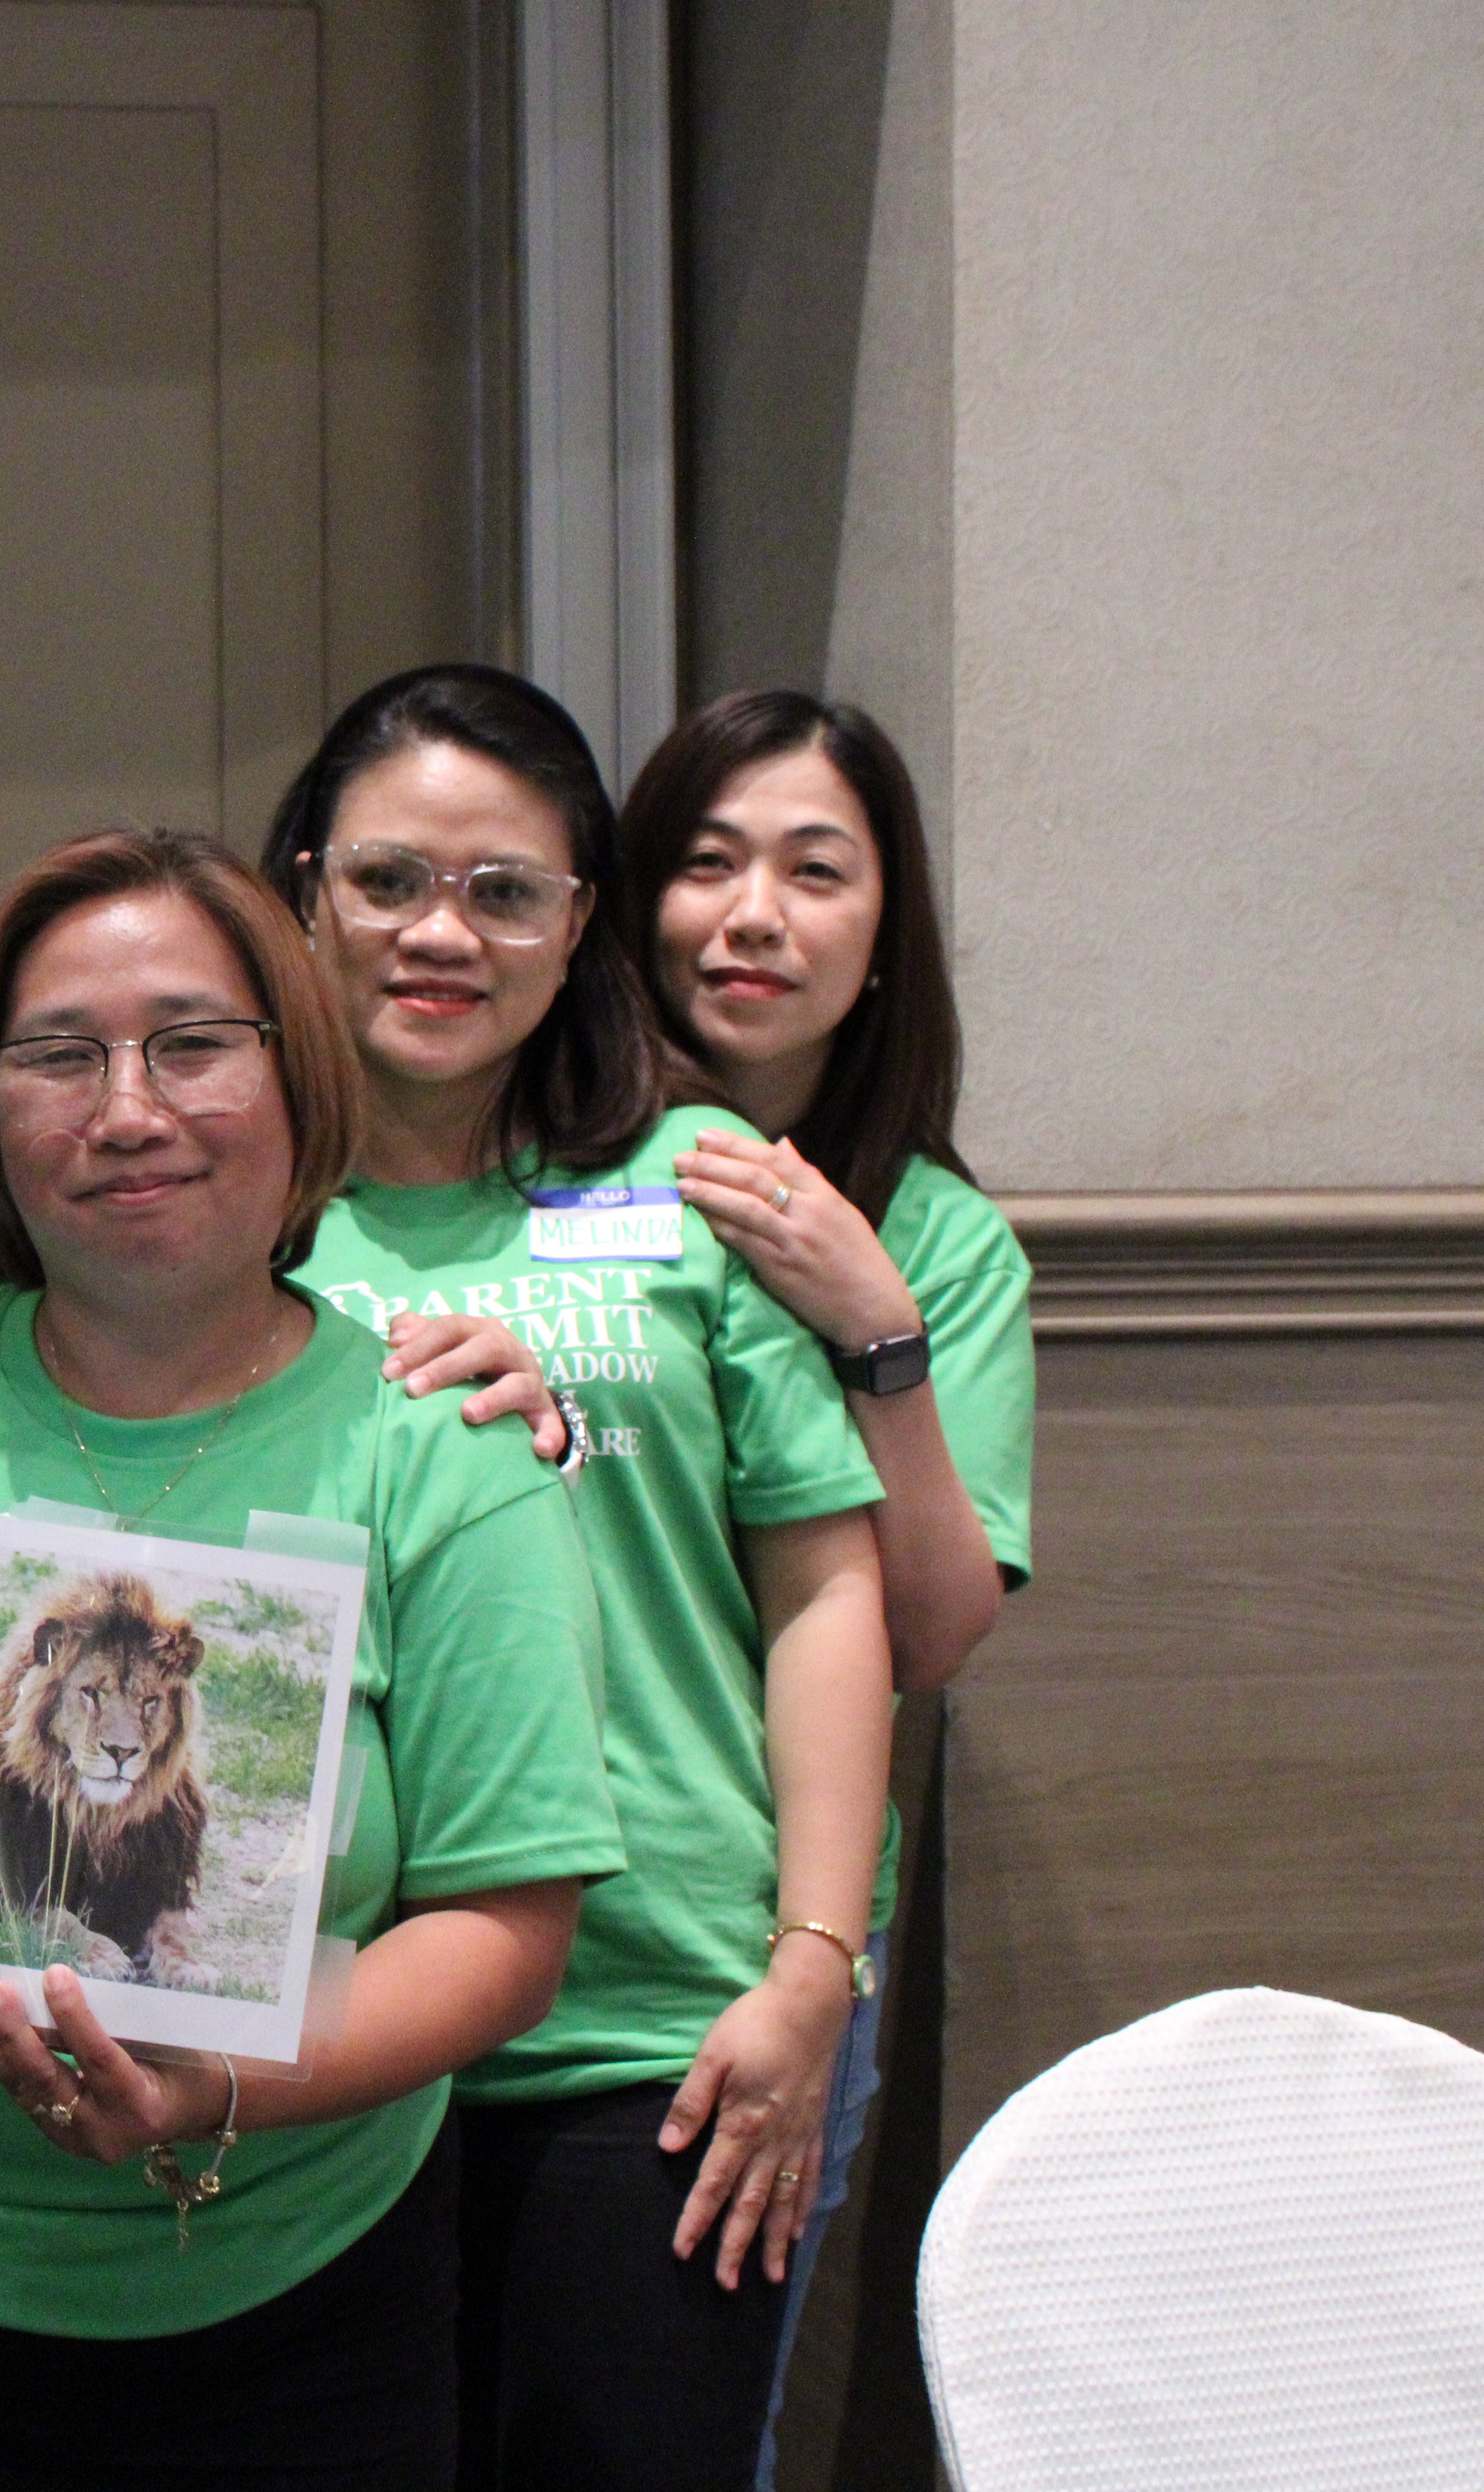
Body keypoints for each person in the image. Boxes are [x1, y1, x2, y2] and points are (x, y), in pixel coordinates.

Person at [0, 829, 625, 2490]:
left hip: (307, 2305)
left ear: (296, 1073)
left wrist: (210, 2087)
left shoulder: (439, 1443)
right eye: (60, 1057)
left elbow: (507, 1924)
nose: (127, 1110)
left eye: (190, 1044)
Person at [261, 665, 894, 2492]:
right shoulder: (233, 1215)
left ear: (576, 929)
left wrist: (808, 1971)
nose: (436, 933)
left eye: (501, 891)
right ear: (300, 888)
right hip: (332, 2010)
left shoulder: (696, 1181)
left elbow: (823, 1596)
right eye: (384, 881)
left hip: (666, 2028)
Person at [617, 688, 1035, 2487]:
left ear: (885, 936)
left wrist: (879, 1329)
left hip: (755, 1954)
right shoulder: (534, 1181)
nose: (752, 915)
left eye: (814, 870)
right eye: (704, 864)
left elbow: (932, 1633)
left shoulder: (943, 1239)